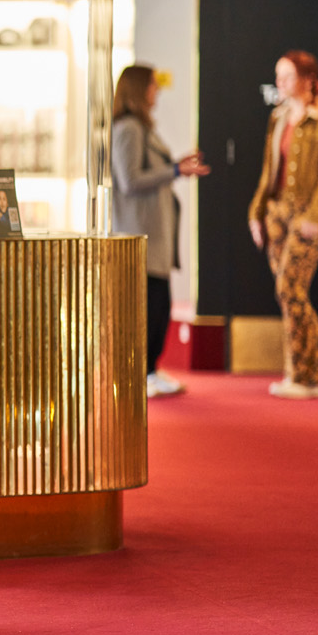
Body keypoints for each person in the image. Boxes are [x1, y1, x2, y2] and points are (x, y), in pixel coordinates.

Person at [247, 50, 318, 400]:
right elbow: (268, 173)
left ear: (307, 79)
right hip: (278, 216)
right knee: (291, 296)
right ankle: (309, 376)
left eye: (286, 76)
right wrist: (256, 214)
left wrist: (315, 217)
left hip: (309, 217)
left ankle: (307, 373)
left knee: (289, 289)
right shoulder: (279, 118)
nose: (279, 83)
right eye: (278, 76)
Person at [110, 65, 210, 398]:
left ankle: (150, 370)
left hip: (153, 234)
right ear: (139, 90)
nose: (157, 93)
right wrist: (174, 171)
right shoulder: (128, 129)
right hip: (138, 234)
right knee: (148, 309)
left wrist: (175, 167)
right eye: (153, 86)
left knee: (157, 307)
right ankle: (142, 373)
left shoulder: (142, 128)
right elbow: (130, 180)